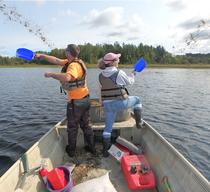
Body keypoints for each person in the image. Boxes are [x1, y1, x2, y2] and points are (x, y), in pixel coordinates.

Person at [35, 44, 96, 157]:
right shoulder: (75, 61)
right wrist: (41, 55)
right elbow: (55, 60)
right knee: (86, 124)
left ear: (68, 52)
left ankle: (71, 151)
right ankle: (92, 148)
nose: (64, 52)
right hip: (86, 98)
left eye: (65, 51)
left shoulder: (73, 66)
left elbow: (68, 77)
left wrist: (50, 74)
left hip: (76, 102)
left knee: (72, 126)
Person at [97, 52, 143, 157]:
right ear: (112, 63)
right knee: (138, 100)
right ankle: (138, 123)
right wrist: (133, 73)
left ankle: (105, 151)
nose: (118, 61)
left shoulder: (100, 76)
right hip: (120, 103)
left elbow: (99, 93)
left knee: (108, 127)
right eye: (117, 60)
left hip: (107, 106)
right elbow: (130, 82)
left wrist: (102, 103)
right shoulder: (119, 73)